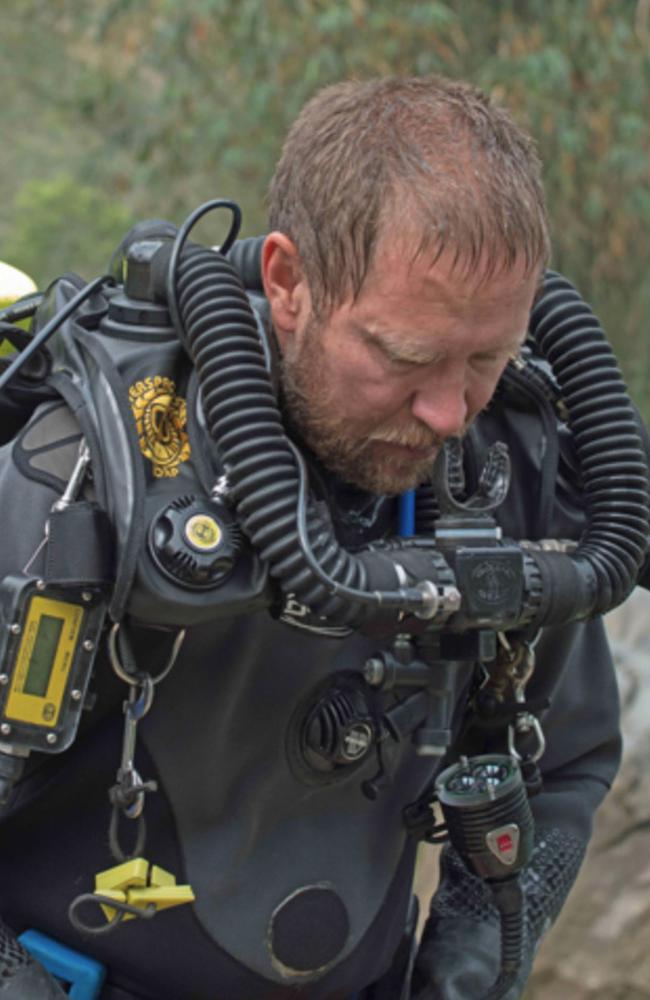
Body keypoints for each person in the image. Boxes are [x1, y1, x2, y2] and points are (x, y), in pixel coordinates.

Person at [0, 74, 647, 1000]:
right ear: (288, 283)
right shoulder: (86, 479)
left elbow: (563, 761)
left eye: (486, 358)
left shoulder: (500, 473)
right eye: (406, 357)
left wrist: (468, 965)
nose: (447, 410)